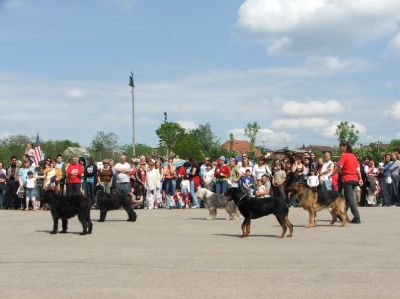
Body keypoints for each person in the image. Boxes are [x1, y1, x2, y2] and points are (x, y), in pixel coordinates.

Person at [337, 142, 362, 224]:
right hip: (355, 179)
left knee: (350, 200)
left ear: (345, 146)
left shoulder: (344, 155)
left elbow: (339, 167)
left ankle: (357, 218)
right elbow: (357, 169)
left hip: (347, 179)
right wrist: (360, 178)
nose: (340, 148)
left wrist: (336, 172)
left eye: (341, 146)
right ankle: (341, 214)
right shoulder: (354, 156)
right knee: (347, 198)